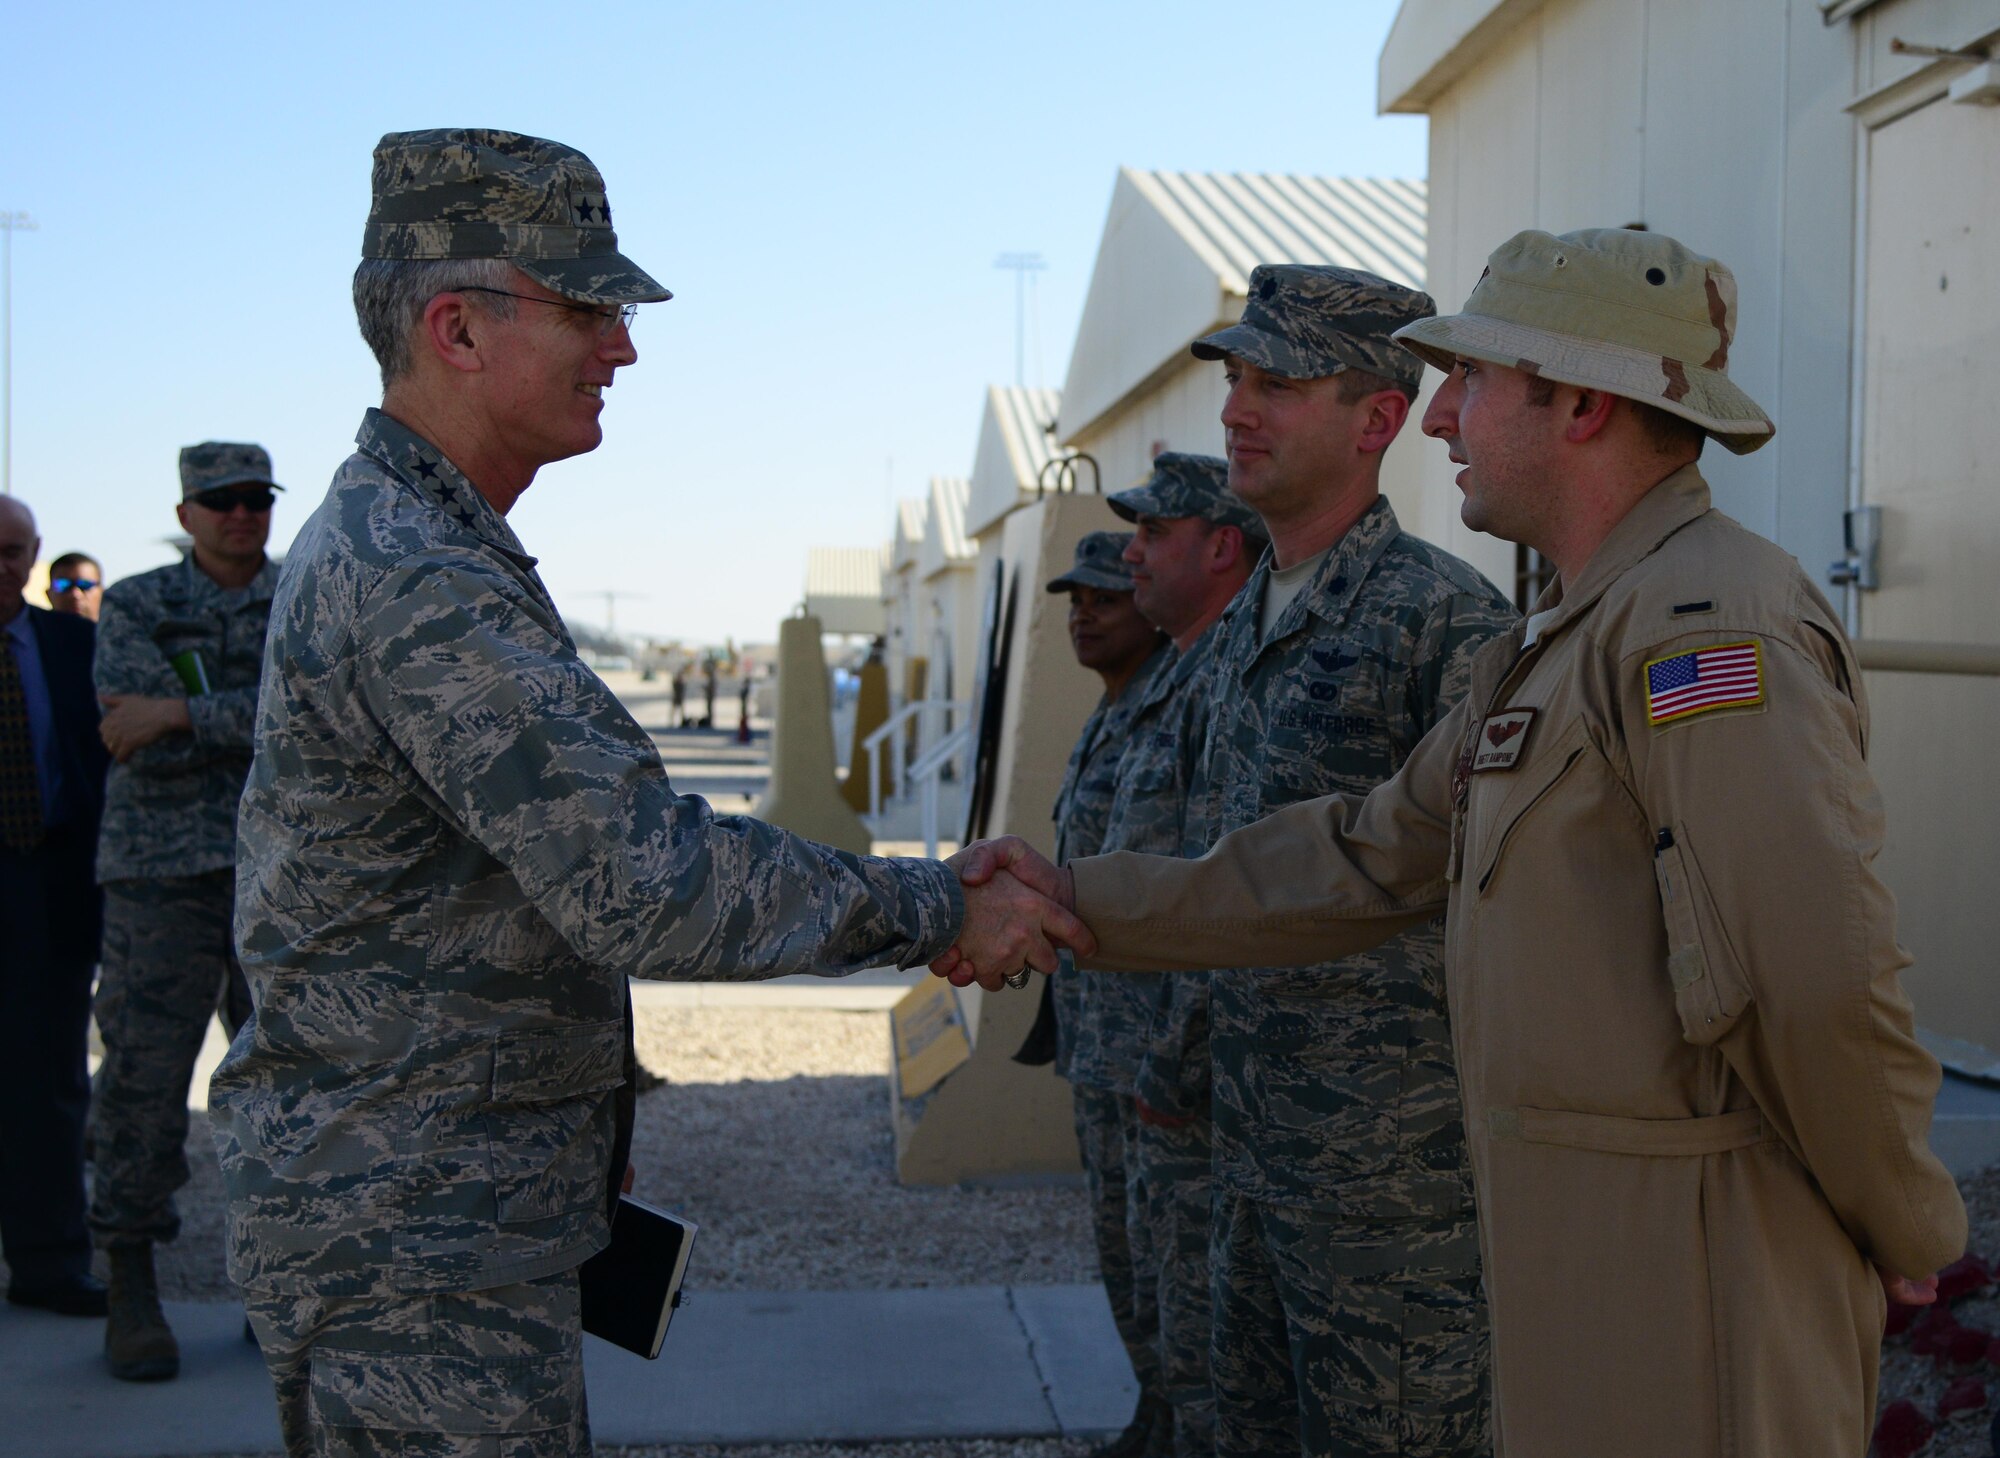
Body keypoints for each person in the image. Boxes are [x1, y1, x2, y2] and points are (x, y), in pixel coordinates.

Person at [939, 228, 1970, 1458]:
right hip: (1570, 1262)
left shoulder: (1705, 626)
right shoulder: (1554, 639)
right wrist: (1072, 895)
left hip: (1688, 1278)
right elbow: (1362, 854)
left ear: (1579, 403)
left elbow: (1813, 978)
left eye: (1469, 382)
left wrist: (1907, 1224)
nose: (1437, 421)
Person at [211, 128, 1079, 1458]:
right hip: (418, 1244)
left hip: (440, 1208)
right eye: (590, 308)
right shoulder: (416, 576)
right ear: (456, 327)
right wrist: (935, 906)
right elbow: (647, 882)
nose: (622, 347)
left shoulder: (431, 540)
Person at [1142, 264, 1522, 1458]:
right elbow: (1223, 874)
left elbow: (1504, 907)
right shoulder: (1241, 619)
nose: (1235, 411)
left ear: (1376, 418)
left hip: (1388, 1194)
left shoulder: (1442, 623)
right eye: (1236, 380)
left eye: (1278, 384)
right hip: (1246, 1162)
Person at [90, 441, 279, 1381]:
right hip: (158, 881)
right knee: (140, 1081)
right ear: (186, 514)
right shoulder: (134, 604)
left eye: (255, 499)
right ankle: (130, 1283)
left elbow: (315, 714)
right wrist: (203, 725)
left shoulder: (305, 597)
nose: (242, 515)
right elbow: (122, 725)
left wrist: (177, 716)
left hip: (281, 881)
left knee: (292, 1087)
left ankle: (284, 1288)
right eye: (222, 501)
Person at [1098, 452, 1265, 1458]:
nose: (1131, 554)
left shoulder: (1230, 674)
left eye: (1153, 533)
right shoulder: (1171, 671)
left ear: (1218, 546)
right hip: (1134, 1053)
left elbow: (1230, 888)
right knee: (1152, 1297)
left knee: (1208, 1333)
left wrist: (1177, 1054)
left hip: (1188, 1077)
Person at [1017, 528, 1170, 1456]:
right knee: (1122, 1252)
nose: (1085, 616)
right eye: (1075, 601)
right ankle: (1153, 1416)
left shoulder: (1174, 707)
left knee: (1168, 1261)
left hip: (1151, 1049)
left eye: (1105, 599)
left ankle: (1177, 1423)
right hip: (1098, 1041)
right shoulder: (1109, 714)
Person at [0, 497, 110, 1318]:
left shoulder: (76, 645)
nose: (0, 566)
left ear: (32, 556)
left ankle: (48, 1264)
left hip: (51, 887)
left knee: (51, 1084)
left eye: (12, 552)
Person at [45, 552, 104, 621]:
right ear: (48, 594)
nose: (75, 594)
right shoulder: (32, 630)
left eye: (85, 585)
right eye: (64, 585)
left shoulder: (116, 630)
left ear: (102, 594)